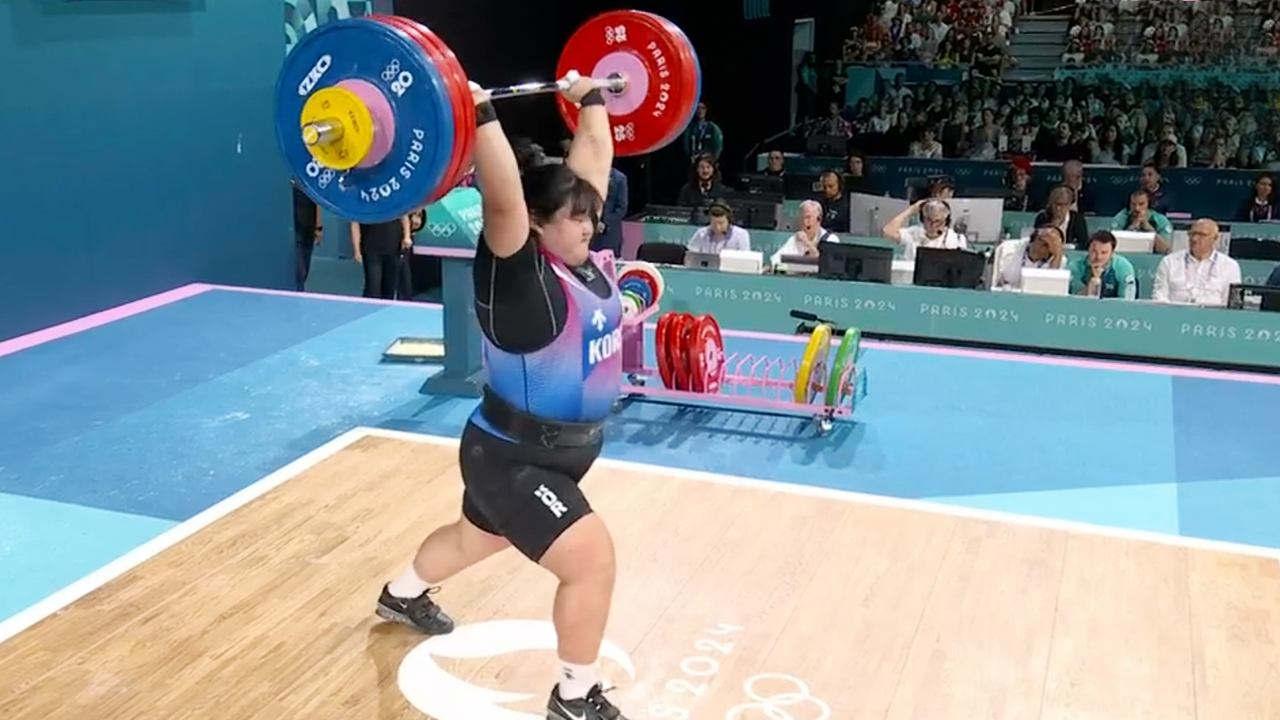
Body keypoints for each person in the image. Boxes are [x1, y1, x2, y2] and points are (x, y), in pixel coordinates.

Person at [374, 75, 633, 720]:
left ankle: (402, 595)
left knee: (474, 540)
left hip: (542, 451)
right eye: (576, 218)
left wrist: (591, 96)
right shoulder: (520, 272)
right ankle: (574, 696)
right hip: (516, 459)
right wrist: (480, 110)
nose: (590, 224)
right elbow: (503, 197)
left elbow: (592, 160)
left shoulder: (581, 256)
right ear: (536, 226)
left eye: (590, 215)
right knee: (590, 564)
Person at [1068, 230, 1137, 299]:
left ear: (1112, 253)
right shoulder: (1075, 266)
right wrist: (1093, 283)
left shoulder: (1124, 267)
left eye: (1104, 253)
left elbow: (1127, 300)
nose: (1098, 257)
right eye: (1094, 251)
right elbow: (1075, 297)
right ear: (1088, 250)